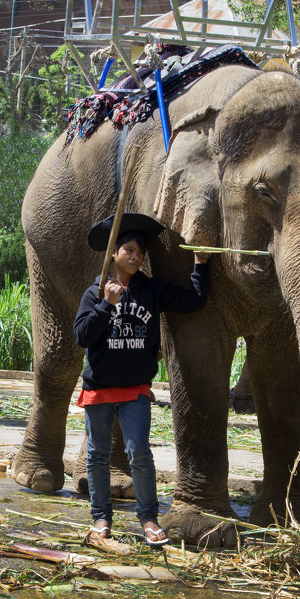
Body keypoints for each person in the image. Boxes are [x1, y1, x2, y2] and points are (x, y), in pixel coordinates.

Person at [73, 212, 209, 548]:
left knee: (139, 453)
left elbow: (194, 300)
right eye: (130, 250)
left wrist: (201, 264)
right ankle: (101, 518)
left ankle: (148, 517)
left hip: (135, 390)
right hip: (99, 391)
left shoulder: (151, 290)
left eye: (141, 253)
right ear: (114, 254)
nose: (136, 257)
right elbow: (82, 336)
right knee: (97, 456)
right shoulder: (95, 292)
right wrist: (107, 304)